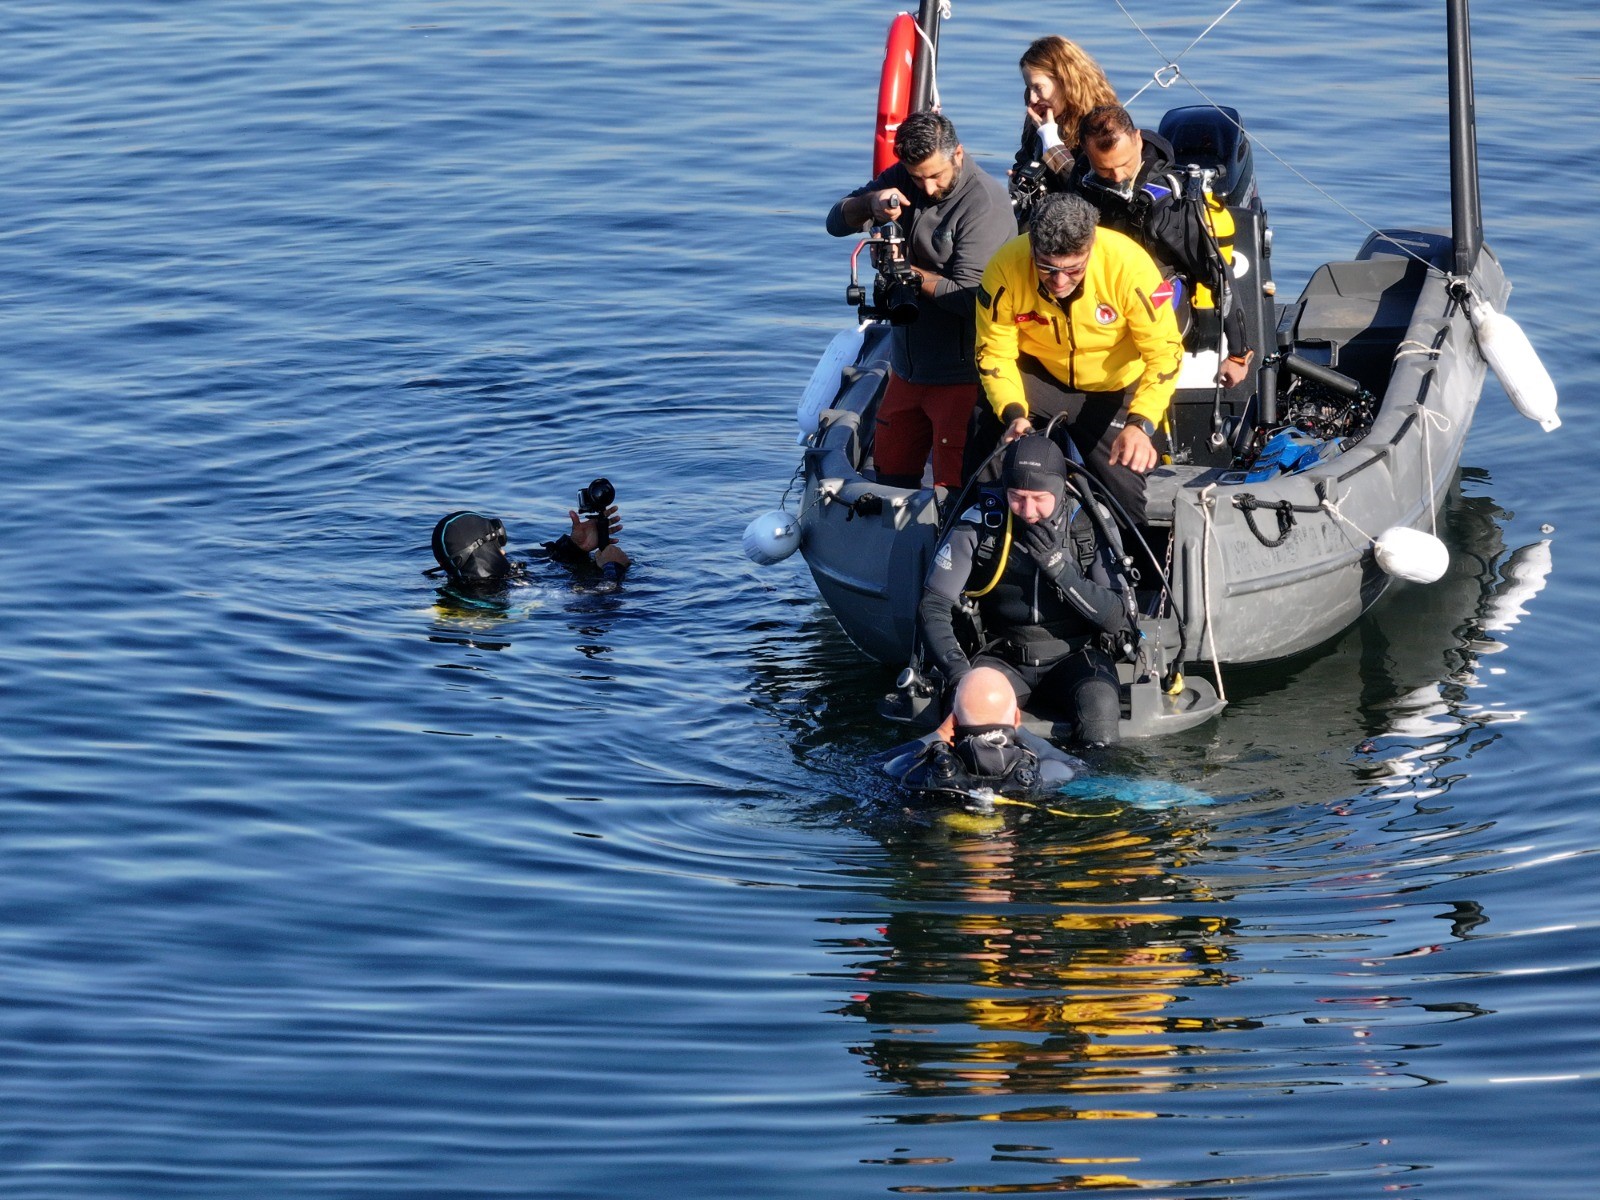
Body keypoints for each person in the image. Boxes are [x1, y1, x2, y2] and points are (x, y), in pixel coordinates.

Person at [968, 192, 1184, 527]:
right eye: (1046, 268)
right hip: (1039, 377)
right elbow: (994, 353)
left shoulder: (1129, 266)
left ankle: (1132, 565)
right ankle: (980, 537)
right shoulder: (1004, 268)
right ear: (1031, 248)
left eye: (1073, 269)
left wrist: (1140, 424)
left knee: (1125, 495)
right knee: (988, 444)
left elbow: (1165, 353)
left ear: (1092, 246)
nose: (1059, 282)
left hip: (1114, 387)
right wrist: (1013, 414)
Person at [826, 110, 1015, 490]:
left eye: (936, 175)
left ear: (957, 154)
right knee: (891, 472)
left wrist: (909, 274)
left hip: (962, 377)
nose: (927, 188)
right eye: (917, 177)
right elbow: (835, 223)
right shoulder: (901, 180)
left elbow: (970, 298)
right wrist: (871, 203)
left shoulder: (984, 204)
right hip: (906, 369)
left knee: (954, 486)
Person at [919, 435, 1134, 745]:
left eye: (1040, 498)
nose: (1028, 510)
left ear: (1059, 491)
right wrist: (960, 675)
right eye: (1017, 496)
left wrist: (1061, 571)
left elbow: (1116, 617)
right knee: (972, 718)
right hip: (1001, 657)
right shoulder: (982, 524)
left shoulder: (1087, 522)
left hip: (1075, 656)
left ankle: (1094, 791)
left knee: (1100, 707)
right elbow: (933, 607)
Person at [1070, 105, 1253, 388]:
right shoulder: (1084, 178)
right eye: (1105, 168)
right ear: (1086, 152)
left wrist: (1239, 354)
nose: (1117, 176)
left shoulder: (1168, 205)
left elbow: (1220, 276)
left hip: (1163, 300)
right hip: (1101, 291)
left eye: (1125, 164)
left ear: (1138, 140)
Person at [1008, 36, 1118, 215]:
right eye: (1029, 88)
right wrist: (1018, 180)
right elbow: (1022, 162)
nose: (1033, 98)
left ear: (1065, 82)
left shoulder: (1102, 124)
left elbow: (1088, 194)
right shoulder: (1039, 115)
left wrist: (1051, 141)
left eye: (1038, 87)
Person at [429, 504, 629, 594]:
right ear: (479, 549)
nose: (504, 552)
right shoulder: (514, 594)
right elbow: (601, 601)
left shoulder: (465, 583)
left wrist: (575, 548)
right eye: (496, 545)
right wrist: (613, 568)